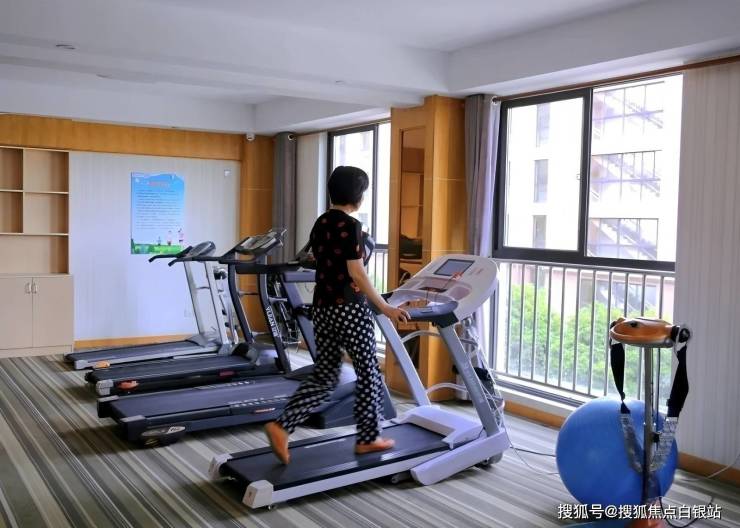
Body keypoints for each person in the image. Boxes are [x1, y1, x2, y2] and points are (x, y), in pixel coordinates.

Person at [265, 165, 410, 464]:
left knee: (325, 373)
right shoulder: (352, 226)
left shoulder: (321, 222)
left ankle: (282, 426)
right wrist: (385, 307)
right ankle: (368, 439)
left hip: (323, 307)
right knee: (369, 372)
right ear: (358, 196)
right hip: (349, 308)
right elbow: (357, 272)